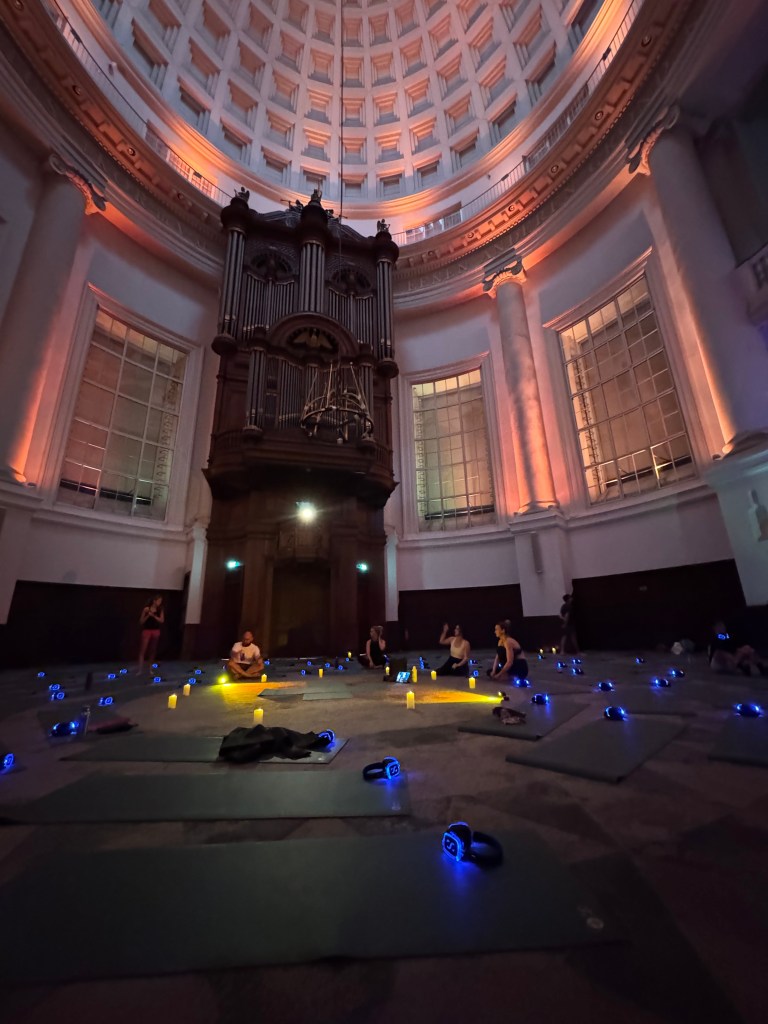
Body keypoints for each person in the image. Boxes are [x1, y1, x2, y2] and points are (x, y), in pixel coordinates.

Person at [138, 595, 164, 674]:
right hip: (147, 631)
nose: (160, 603)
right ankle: (140, 670)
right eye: (158, 601)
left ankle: (150, 669)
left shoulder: (160, 610)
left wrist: (154, 616)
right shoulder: (146, 609)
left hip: (155, 631)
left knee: (152, 650)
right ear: (154, 601)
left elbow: (162, 620)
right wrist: (148, 615)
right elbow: (141, 621)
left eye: (160, 601)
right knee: (143, 650)